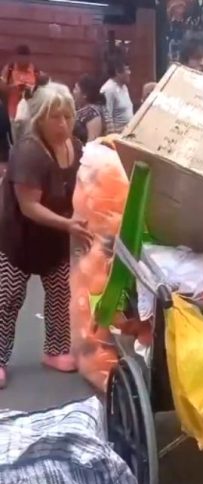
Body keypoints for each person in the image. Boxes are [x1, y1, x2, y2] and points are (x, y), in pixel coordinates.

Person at [0, 82, 91, 388]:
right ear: (39, 117)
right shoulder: (29, 152)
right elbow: (29, 207)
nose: (63, 124)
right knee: (8, 297)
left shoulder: (76, 147)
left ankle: (55, 350)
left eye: (67, 116)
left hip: (55, 240)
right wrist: (69, 225)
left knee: (61, 294)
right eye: (55, 117)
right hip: (18, 238)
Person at [1, 45, 38, 120]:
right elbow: (1, 86)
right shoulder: (9, 69)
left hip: (31, 112)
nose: (22, 62)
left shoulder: (35, 71)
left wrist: (31, 89)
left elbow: (40, 88)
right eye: (20, 59)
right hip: (12, 112)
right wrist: (13, 88)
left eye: (25, 59)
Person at [73, 74, 108, 143]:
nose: (73, 91)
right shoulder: (77, 109)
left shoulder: (92, 114)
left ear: (85, 95)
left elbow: (92, 142)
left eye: (76, 89)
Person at [101, 58, 133, 133]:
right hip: (118, 136)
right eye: (127, 70)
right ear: (117, 72)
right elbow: (107, 117)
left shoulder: (124, 87)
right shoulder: (108, 89)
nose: (129, 72)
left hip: (129, 134)